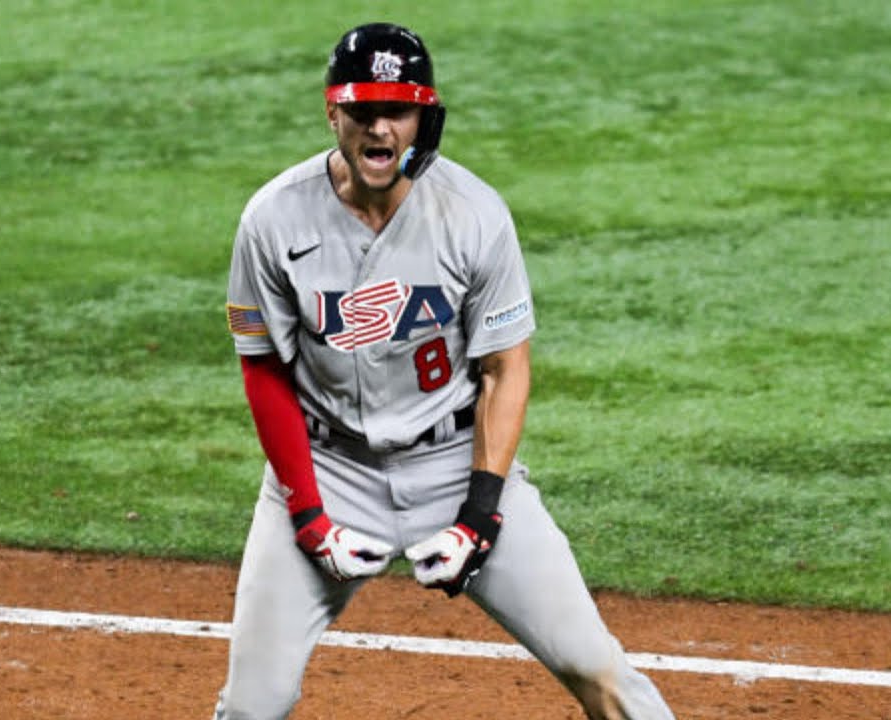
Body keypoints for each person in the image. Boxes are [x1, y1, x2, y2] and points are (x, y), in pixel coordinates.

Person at [218, 22, 676, 720]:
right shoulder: (273, 220)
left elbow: (505, 369)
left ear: (422, 117)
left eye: (396, 111)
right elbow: (266, 372)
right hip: (327, 469)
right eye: (363, 109)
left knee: (597, 666)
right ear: (331, 110)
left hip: (453, 461)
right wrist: (310, 518)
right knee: (254, 705)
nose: (379, 128)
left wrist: (479, 517)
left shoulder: (473, 215)